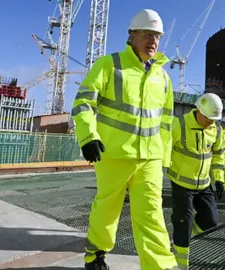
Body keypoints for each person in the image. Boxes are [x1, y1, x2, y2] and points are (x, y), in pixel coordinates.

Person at [71, 9, 178, 270]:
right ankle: (95, 256)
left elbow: (165, 122)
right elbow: (83, 102)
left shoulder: (163, 77)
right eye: (147, 34)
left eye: (157, 36)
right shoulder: (109, 65)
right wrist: (87, 136)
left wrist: (164, 159)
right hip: (114, 154)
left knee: (152, 215)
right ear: (132, 35)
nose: (153, 41)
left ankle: (161, 266)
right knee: (107, 209)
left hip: (150, 159)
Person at [167, 93, 225, 269]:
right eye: (208, 118)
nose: (211, 122)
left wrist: (220, 180)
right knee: (183, 224)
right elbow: (163, 149)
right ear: (199, 110)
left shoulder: (216, 129)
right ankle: (180, 264)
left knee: (211, 222)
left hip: (204, 184)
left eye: (214, 119)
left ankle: (182, 229)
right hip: (181, 184)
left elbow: (218, 155)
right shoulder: (179, 124)